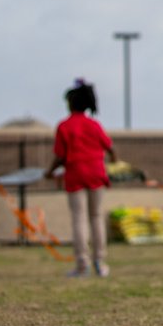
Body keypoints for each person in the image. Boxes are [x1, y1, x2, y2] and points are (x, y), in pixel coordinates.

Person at [44, 79, 116, 277]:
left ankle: (82, 263)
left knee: (79, 219)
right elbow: (110, 148)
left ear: (71, 103)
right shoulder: (94, 125)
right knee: (96, 217)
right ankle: (100, 262)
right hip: (96, 173)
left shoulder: (64, 126)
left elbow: (60, 156)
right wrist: (114, 162)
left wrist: (49, 172)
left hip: (75, 174)